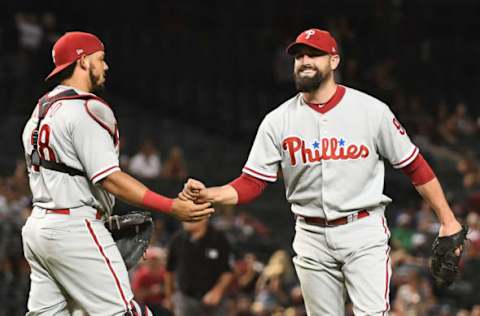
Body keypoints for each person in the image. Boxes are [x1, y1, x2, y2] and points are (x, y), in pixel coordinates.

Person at [180, 28, 464, 315]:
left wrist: (448, 219)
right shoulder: (277, 121)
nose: (304, 61)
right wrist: (211, 194)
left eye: (314, 54)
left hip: (362, 229)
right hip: (310, 234)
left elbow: (414, 165)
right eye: (299, 56)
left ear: (334, 61)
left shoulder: (370, 110)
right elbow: (252, 182)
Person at [21, 31, 214, 316]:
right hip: (75, 227)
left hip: (38, 229)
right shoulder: (88, 108)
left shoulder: (39, 113)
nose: (106, 66)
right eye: (101, 59)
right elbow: (109, 178)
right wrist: (171, 206)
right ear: (83, 61)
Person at [164, 218, 233, 316]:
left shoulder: (219, 238)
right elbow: (169, 270)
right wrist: (169, 296)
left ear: (204, 218)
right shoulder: (177, 239)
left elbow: (228, 271)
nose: (186, 220)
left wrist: (217, 291)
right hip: (185, 299)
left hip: (213, 302)